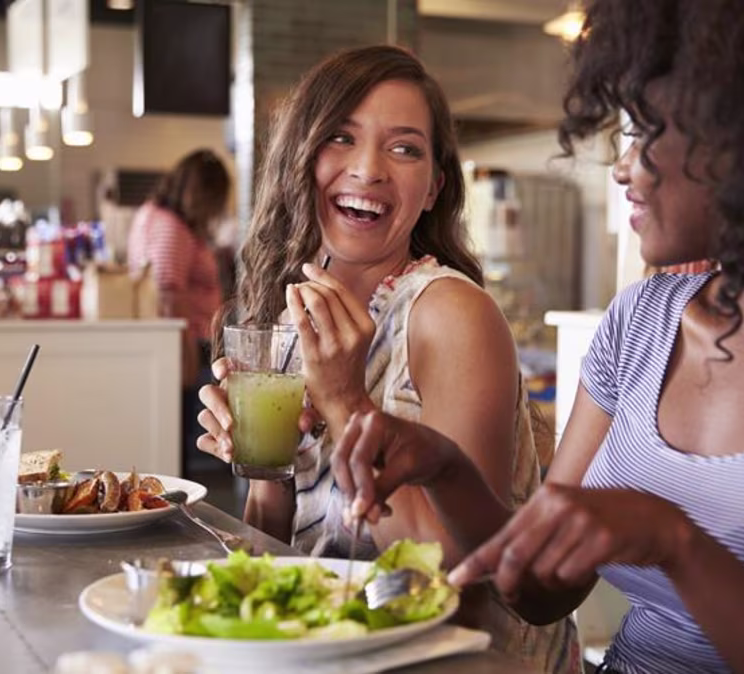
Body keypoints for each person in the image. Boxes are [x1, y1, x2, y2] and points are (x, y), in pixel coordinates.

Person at [330, 2, 744, 673]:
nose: (622, 169)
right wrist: (447, 468)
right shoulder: (642, 321)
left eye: (645, 131)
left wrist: (675, 543)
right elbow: (538, 593)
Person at [194, 45, 579, 672]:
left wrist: (345, 401)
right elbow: (279, 549)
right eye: (341, 138)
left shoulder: (451, 314)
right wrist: (264, 463)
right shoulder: (292, 318)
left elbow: (450, 577)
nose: (369, 169)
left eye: (404, 148)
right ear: (300, 160)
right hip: (342, 650)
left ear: (433, 189)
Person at [127, 149, 230, 472]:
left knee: (181, 436)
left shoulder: (154, 215)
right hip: (186, 345)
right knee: (182, 439)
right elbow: (170, 295)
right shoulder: (171, 226)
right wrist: (185, 359)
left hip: (181, 343)